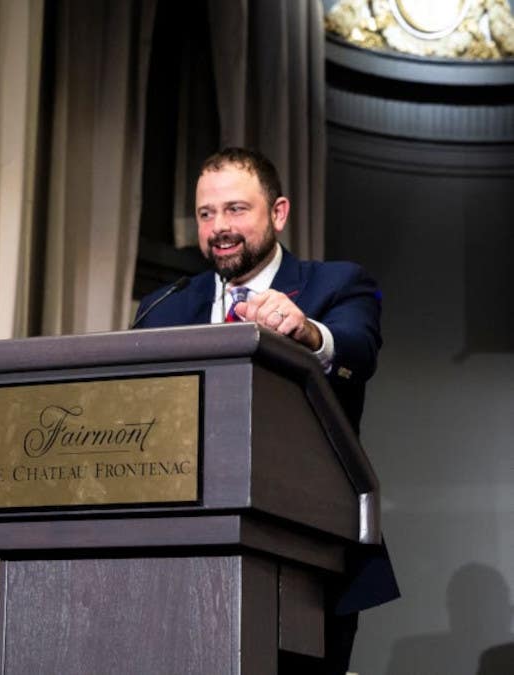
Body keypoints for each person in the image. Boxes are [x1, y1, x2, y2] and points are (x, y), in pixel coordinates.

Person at [134, 147, 399, 674]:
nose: (219, 228)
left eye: (236, 210)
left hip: (306, 552)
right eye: (206, 214)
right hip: (180, 552)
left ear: (277, 213)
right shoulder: (165, 306)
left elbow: (355, 349)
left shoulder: (336, 284)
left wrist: (306, 331)